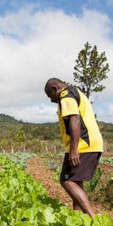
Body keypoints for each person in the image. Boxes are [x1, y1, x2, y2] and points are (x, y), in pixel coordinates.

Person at [44, 77, 103, 218]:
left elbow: (74, 118)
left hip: (83, 145)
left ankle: (92, 218)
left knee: (66, 180)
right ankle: (77, 220)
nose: (51, 100)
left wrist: (74, 149)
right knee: (76, 182)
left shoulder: (66, 95)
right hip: (90, 144)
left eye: (50, 96)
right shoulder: (76, 92)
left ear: (55, 89)